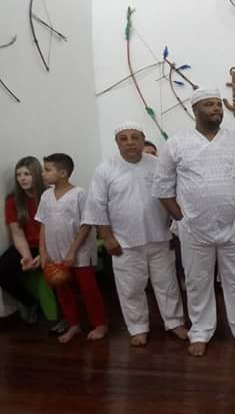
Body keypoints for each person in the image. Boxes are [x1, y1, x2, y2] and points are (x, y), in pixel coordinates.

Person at [153, 88, 235, 357]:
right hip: (194, 227)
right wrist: (180, 216)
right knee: (197, 280)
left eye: (218, 104)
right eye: (209, 104)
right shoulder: (176, 143)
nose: (216, 108)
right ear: (195, 110)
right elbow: (162, 186)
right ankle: (201, 330)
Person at [83, 122, 187, 346]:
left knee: (168, 284)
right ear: (117, 142)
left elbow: (174, 197)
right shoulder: (105, 169)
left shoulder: (158, 165)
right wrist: (107, 237)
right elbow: (96, 206)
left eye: (135, 137)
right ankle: (138, 328)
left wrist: (174, 232)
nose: (130, 142)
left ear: (142, 139)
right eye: (124, 138)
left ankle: (174, 322)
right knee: (130, 288)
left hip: (160, 236)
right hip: (124, 241)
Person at [36, 153, 107, 343]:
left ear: (63, 173)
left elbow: (86, 225)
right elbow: (43, 224)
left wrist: (72, 252)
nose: (43, 173)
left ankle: (99, 324)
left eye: (47, 170)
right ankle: (73, 324)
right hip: (54, 253)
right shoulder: (46, 196)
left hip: (79, 253)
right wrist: (43, 252)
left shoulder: (80, 194)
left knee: (88, 289)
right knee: (62, 290)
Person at [1, 157, 46, 324]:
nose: (22, 178)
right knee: (2, 270)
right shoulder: (13, 200)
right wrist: (27, 257)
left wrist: (44, 254)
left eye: (27, 174)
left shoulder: (48, 195)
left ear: (37, 174)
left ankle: (62, 317)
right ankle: (31, 303)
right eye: (18, 174)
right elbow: (17, 234)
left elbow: (57, 231)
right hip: (28, 246)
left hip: (50, 245)